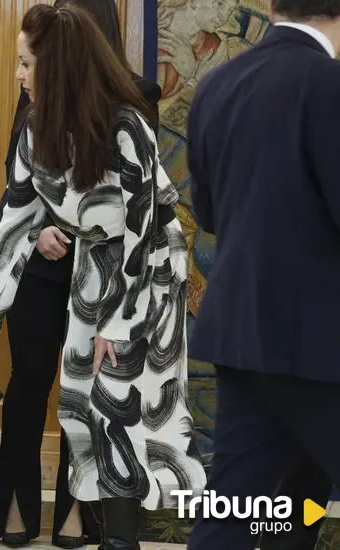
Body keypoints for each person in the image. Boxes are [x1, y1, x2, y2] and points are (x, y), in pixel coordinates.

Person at [0, 4, 208, 549]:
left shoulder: (126, 125)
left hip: (147, 268)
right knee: (81, 401)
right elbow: (13, 226)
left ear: (56, 66)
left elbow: (139, 234)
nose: (17, 75)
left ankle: (119, 538)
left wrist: (119, 323)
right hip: (90, 265)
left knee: (120, 401)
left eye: (23, 63)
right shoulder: (35, 130)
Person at [0, 0, 161, 547]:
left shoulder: (135, 98)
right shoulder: (36, 82)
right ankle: (14, 511)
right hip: (43, 265)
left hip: (104, 275)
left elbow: (134, 200)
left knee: (84, 393)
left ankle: (76, 516)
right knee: (27, 383)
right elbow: (22, 178)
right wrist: (36, 231)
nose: (22, 72)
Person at [184, 0, 340, 545]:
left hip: (242, 332)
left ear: (272, 5)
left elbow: (206, 213)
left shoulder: (219, 83)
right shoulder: (328, 83)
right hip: (320, 341)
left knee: (252, 506)